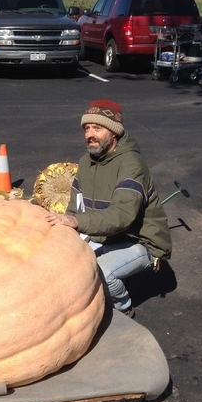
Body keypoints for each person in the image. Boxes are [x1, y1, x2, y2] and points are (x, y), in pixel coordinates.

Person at [45, 100, 172, 317]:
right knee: (67, 261)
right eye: (87, 128)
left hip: (140, 241)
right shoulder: (86, 162)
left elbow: (122, 216)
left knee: (100, 272)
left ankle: (124, 310)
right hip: (106, 236)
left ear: (114, 133)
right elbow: (75, 207)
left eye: (97, 128)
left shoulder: (131, 164)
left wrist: (77, 222)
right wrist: (65, 232)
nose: (90, 135)